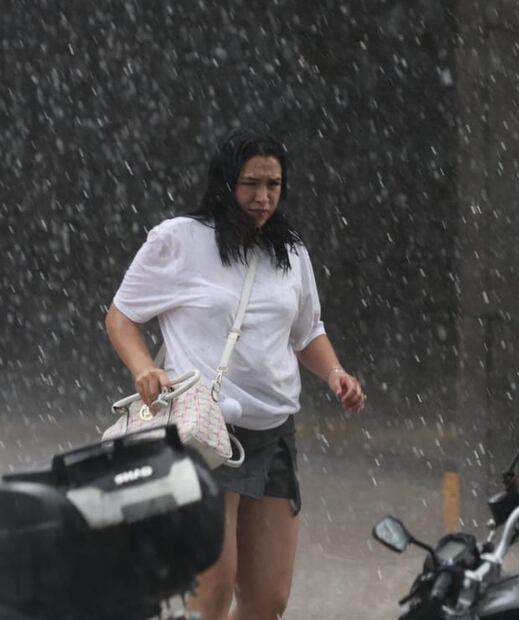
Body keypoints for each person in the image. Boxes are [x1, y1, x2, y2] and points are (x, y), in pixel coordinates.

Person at [105, 129, 366, 620]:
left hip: (273, 435)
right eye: (251, 183)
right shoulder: (178, 239)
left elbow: (307, 332)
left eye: (273, 184)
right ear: (225, 182)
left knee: (267, 600)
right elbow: (121, 316)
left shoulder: (291, 252)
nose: (263, 197)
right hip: (205, 431)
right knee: (212, 592)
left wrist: (335, 373)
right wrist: (145, 368)